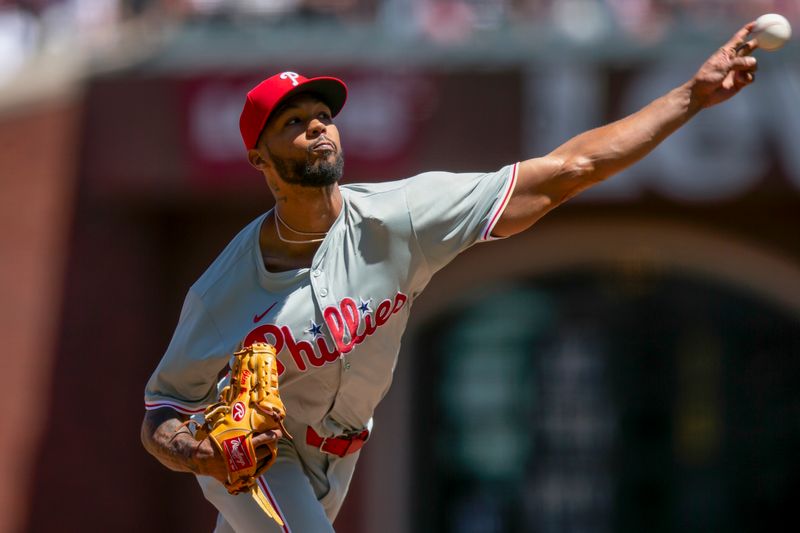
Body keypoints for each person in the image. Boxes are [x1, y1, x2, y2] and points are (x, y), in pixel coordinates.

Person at [141, 24, 760, 532]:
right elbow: (162, 410)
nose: (317, 126)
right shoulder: (224, 291)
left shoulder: (400, 219)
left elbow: (569, 169)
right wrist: (195, 452)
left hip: (341, 454)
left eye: (322, 113)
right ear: (259, 157)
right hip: (261, 460)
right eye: (292, 122)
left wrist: (692, 97)